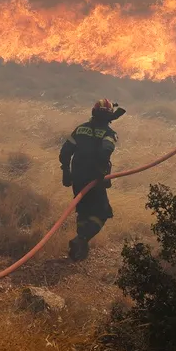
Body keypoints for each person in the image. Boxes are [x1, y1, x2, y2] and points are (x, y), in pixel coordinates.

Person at [59, 98, 126, 262]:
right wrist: (101, 170)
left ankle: (78, 251)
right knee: (102, 213)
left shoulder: (81, 129)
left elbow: (65, 151)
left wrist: (66, 171)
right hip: (94, 180)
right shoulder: (109, 133)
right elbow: (105, 152)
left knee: (83, 211)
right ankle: (80, 240)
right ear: (109, 117)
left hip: (78, 177)